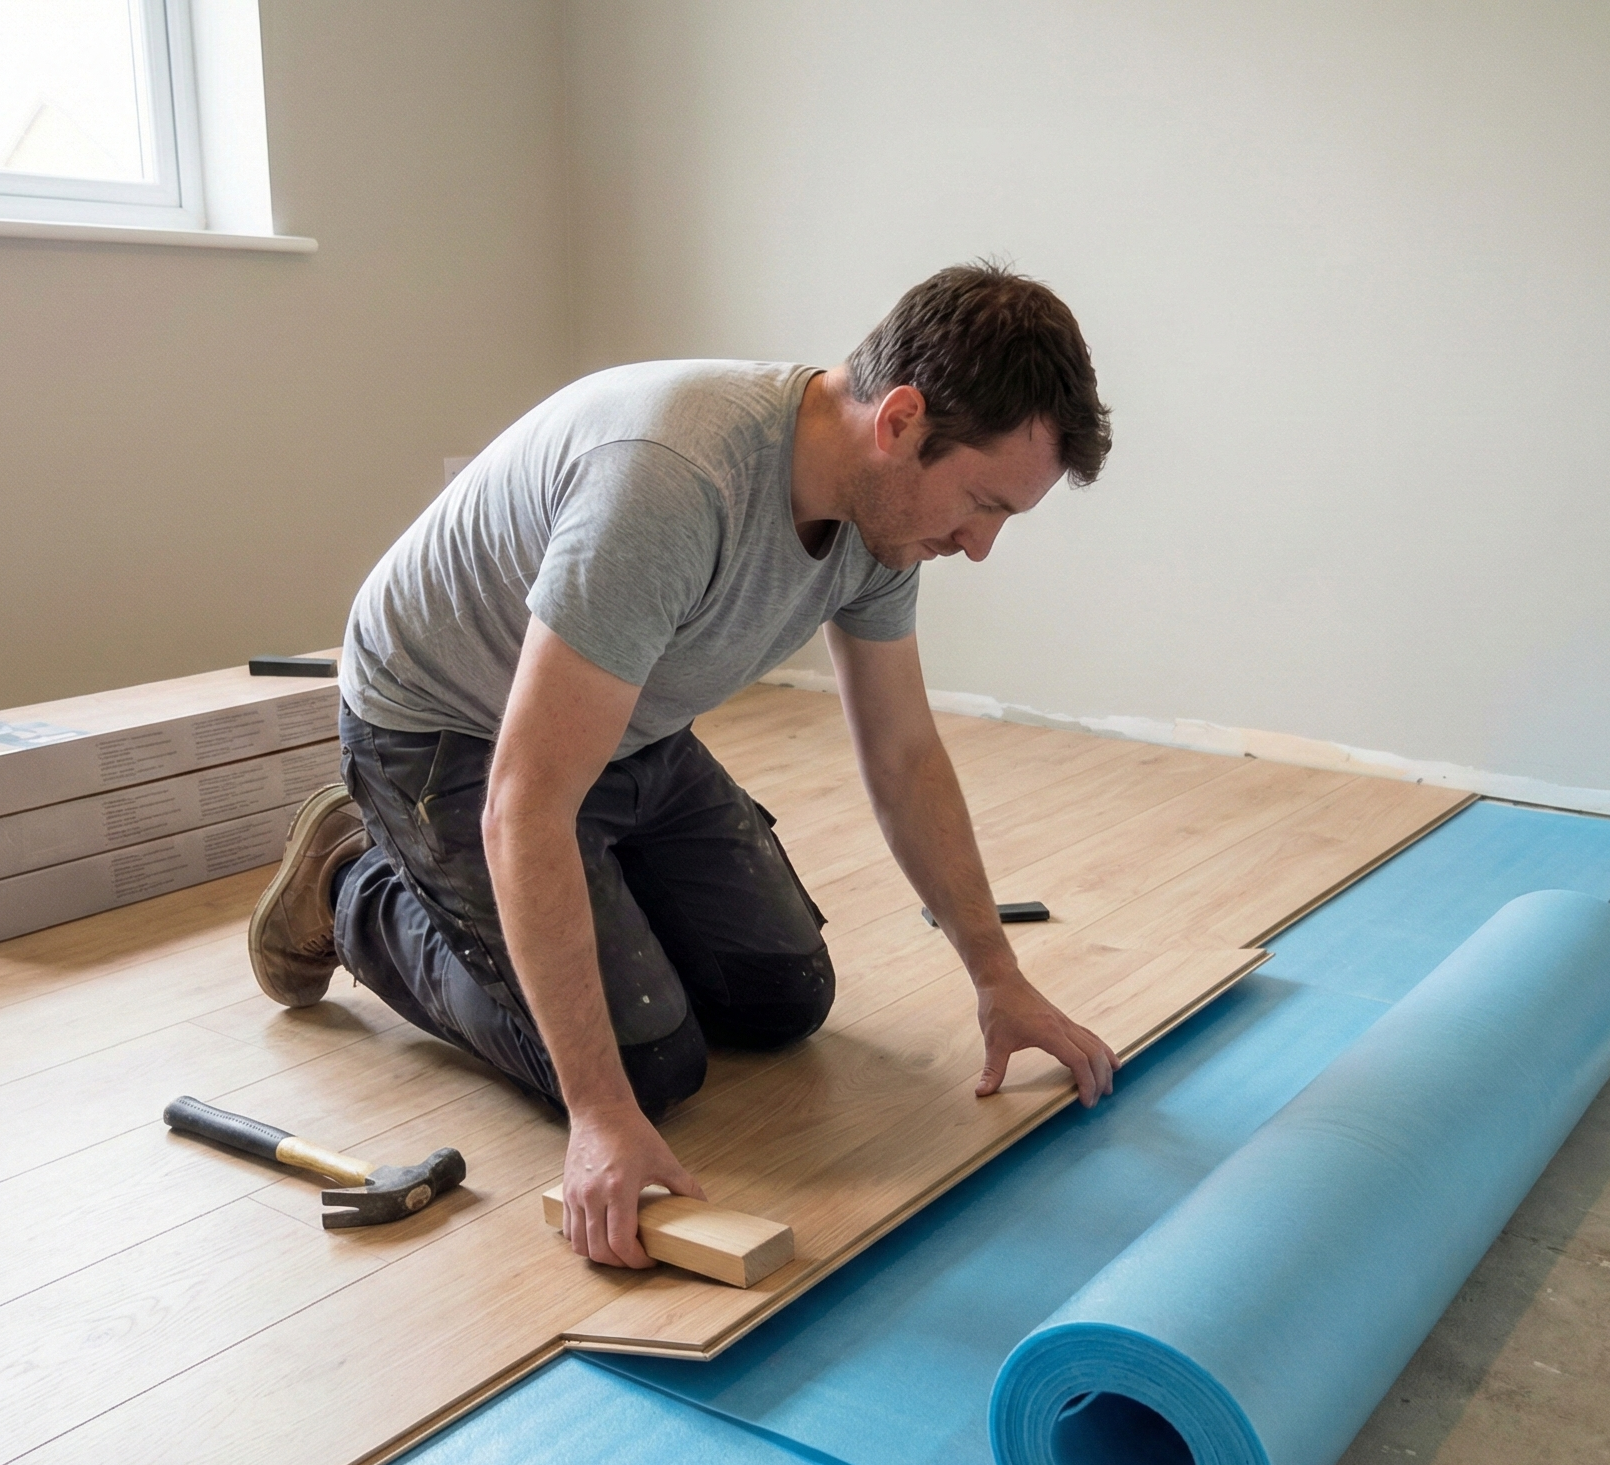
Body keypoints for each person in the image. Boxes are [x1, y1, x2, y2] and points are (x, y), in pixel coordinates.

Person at [248, 261, 1118, 1270]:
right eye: (981, 503)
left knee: (781, 996)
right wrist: (598, 1114)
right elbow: (525, 800)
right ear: (900, 422)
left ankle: (583, 900)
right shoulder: (673, 480)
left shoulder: (881, 525)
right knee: (645, 1064)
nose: (978, 547)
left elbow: (901, 747)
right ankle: (350, 879)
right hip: (448, 735)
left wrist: (995, 975)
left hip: (621, 729)